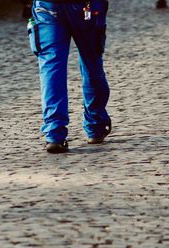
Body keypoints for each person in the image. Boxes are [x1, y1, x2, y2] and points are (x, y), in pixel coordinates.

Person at [27, 0, 111, 153]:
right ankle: (95, 125)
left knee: (51, 67)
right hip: (87, 6)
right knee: (91, 62)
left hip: (47, 6)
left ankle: (54, 134)